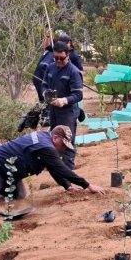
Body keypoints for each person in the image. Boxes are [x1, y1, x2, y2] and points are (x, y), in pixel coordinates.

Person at [0, 126, 104, 208]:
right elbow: (60, 168)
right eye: (63, 145)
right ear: (56, 138)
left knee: (19, 194)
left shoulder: (44, 138)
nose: (63, 149)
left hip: (9, 170)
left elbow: (53, 168)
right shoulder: (46, 146)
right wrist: (87, 185)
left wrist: (67, 185)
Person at [41, 41, 84, 169]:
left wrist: (63, 100)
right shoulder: (50, 67)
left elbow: (78, 95)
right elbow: (43, 84)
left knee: (67, 142)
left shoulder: (73, 72)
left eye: (61, 58)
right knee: (53, 139)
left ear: (68, 56)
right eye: (56, 58)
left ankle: (69, 171)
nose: (58, 60)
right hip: (53, 111)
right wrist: (45, 93)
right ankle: (55, 167)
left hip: (67, 113)